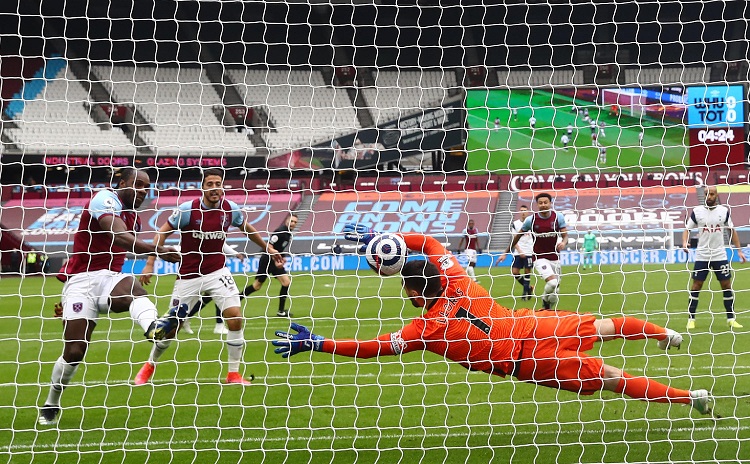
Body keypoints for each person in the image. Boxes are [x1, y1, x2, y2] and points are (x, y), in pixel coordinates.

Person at [273, 229, 713, 417]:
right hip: (529, 325)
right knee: (604, 327)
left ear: (410, 293)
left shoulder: (423, 331)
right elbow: (427, 242)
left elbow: (370, 348)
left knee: (612, 378)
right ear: (438, 275)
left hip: (524, 363)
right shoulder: (460, 281)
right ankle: (666, 333)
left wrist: (320, 344)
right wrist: (388, 241)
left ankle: (690, 398)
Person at [38, 168, 182, 426]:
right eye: (137, 184)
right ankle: (52, 401)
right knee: (75, 350)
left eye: (146, 187)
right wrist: (158, 251)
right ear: (122, 182)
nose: (142, 190)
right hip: (81, 282)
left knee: (134, 288)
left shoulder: (134, 217)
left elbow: (122, 248)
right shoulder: (104, 198)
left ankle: (154, 327)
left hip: (109, 279)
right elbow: (119, 237)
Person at [135, 168, 284, 386]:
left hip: (217, 272)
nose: (215, 188)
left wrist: (268, 248)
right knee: (170, 329)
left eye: (218, 184)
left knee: (235, 317)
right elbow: (162, 232)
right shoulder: (187, 210)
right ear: (203, 187)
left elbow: (248, 229)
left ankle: (233, 374)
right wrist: (150, 263)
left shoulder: (230, 209)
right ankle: (149, 365)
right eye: (210, 184)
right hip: (188, 276)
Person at [681, 185, 746, 330]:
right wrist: (685, 242)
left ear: (716, 195)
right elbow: (687, 229)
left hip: (719, 255)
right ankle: (691, 319)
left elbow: (732, 231)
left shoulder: (723, 211)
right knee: (696, 286)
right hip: (702, 255)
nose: (708, 196)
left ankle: (731, 319)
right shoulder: (697, 212)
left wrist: (739, 251)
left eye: (711, 194)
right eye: (706, 194)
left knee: (726, 285)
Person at [498, 193, 568, 309]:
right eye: (540, 203)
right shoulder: (531, 220)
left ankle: (547, 309)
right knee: (552, 283)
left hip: (555, 258)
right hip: (539, 257)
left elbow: (565, 235)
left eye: (546, 202)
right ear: (537, 205)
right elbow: (517, 237)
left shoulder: (558, 217)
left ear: (550, 203)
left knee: (555, 293)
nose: (543, 205)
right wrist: (506, 252)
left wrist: (564, 242)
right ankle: (544, 300)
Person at [241, 214, 299, 317]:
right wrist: (275, 259)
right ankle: (236, 299)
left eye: (295, 222)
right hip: (267, 259)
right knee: (256, 286)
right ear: (287, 221)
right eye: (292, 221)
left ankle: (281, 311)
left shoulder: (288, 234)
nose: (293, 223)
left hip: (275, 261)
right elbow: (269, 246)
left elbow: (280, 248)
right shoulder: (280, 231)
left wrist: (281, 258)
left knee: (286, 283)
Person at [496, 205, 534, 300]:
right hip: (518, 252)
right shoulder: (515, 224)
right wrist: (520, 251)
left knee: (527, 272)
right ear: (519, 212)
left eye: (525, 210)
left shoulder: (532, 223)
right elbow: (514, 239)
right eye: (521, 210)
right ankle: (529, 288)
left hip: (529, 251)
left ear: (528, 212)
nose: (523, 212)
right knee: (515, 272)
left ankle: (525, 294)